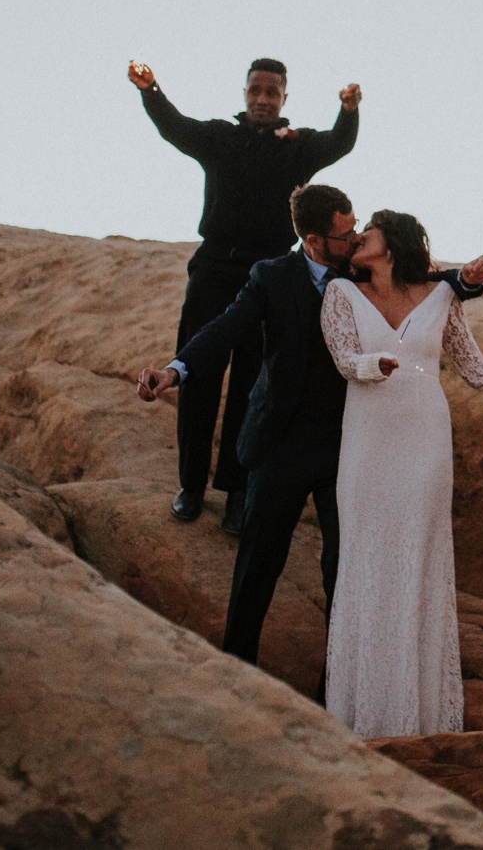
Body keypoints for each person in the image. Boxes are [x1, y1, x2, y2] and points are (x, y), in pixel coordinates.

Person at [134, 184, 483, 672]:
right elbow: (226, 328)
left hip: (346, 446)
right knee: (257, 567)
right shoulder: (271, 276)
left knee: (342, 572)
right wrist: (174, 371)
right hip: (278, 444)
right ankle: (235, 672)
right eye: (347, 232)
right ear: (317, 240)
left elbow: (418, 273)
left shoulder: (359, 269)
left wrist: (465, 282)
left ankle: (336, 688)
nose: (358, 235)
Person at [319, 209, 483, 738]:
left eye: (367, 231)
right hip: (368, 446)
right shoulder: (340, 294)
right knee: (366, 561)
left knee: (418, 559)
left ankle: (418, 718)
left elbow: (475, 368)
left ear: (389, 244)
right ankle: (361, 715)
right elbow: (344, 357)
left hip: (424, 445)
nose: (357, 238)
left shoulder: (442, 298)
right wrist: (372, 366)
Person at [130, 56, 362, 531]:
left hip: (272, 273)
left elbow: (340, 142)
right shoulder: (220, 137)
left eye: (271, 93)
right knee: (197, 379)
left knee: (253, 388)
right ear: (245, 93)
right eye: (255, 90)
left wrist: (349, 108)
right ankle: (191, 486)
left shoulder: (298, 148)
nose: (262, 99)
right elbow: (175, 128)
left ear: (283, 100)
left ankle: (236, 492)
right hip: (215, 267)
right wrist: (151, 90)